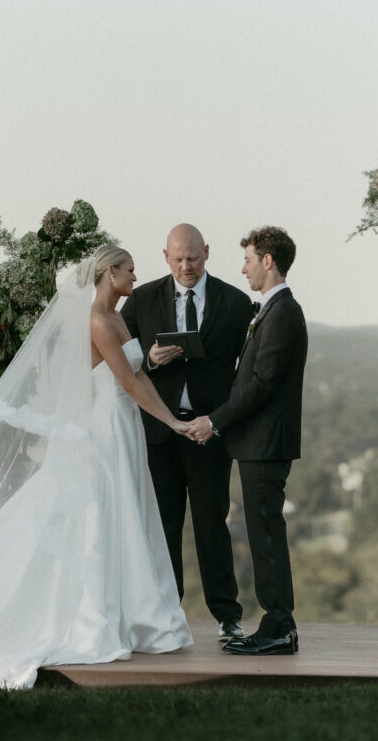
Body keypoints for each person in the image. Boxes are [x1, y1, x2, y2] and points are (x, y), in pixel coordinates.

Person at [0, 245, 192, 689]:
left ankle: (138, 617)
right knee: (103, 514)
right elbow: (126, 381)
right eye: (129, 271)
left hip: (127, 424)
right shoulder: (99, 322)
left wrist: (170, 421)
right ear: (108, 273)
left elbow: (140, 377)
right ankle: (99, 618)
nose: (136, 278)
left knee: (128, 513)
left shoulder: (118, 317)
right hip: (108, 426)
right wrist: (172, 420)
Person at [120, 224, 253, 640]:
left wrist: (218, 423)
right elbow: (116, 360)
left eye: (193, 258)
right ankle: (166, 613)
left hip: (209, 434)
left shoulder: (236, 302)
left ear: (207, 253)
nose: (186, 266)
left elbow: (246, 374)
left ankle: (227, 615)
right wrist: (151, 358)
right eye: (178, 259)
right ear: (164, 257)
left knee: (213, 525)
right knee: (163, 525)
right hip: (160, 434)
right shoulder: (141, 300)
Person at [187, 226, 307, 656]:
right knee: (262, 533)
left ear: (268, 261)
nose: (243, 269)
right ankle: (278, 624)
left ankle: (279, 626)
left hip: (265, 444)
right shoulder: (273, 311)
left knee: (266, 535)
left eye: (249, 260)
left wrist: (214, 422)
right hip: (258, 443)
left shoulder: (283, 313)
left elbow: (261, 384)